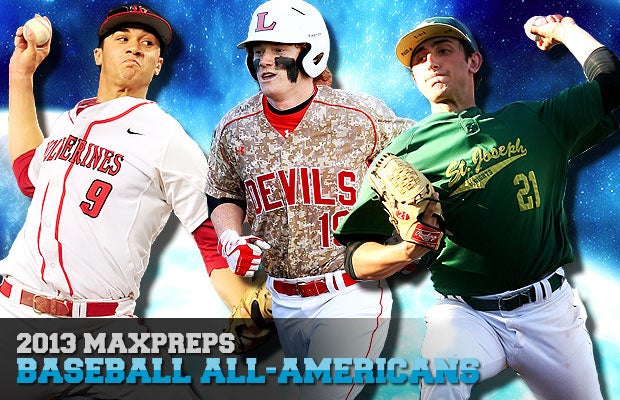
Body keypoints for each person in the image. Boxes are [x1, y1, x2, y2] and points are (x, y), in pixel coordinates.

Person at [334, 14, 619, 399]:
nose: (430, 62)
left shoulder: (532, 121)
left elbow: (612, 84)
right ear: (415, 78)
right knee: (440, 382)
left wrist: (564, 30)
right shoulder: (401, 156)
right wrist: (405, 251)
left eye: (443, 50)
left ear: (473, 62)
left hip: (548, 311)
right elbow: (354, 256)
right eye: (419, 59)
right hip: (465, 314)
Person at [205, 0, 414, 398]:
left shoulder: (362, 115)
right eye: (257, 51)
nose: (264, 61)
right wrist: (230, 237)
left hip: (351, 293)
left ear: (312, 51)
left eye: (278, 51)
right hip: (281, 299)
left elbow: (423, 164)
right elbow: (223, 193)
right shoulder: (233, 127)